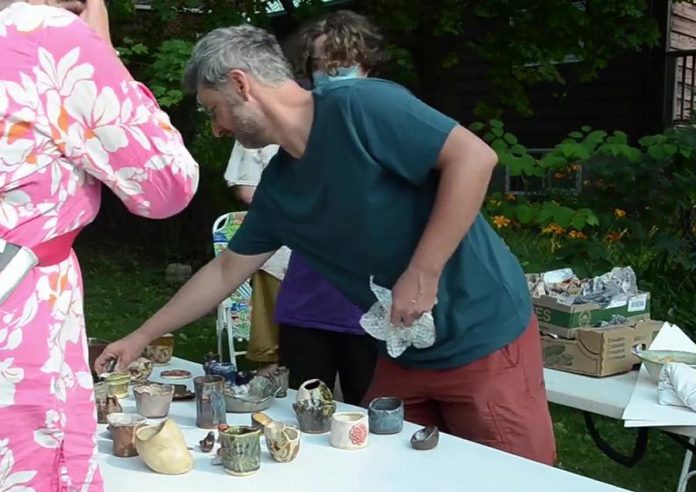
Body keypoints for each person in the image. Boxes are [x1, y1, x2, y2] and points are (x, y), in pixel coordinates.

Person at [97, 23, 556, 465]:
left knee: (515, 491)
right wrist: (140, 336)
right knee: (387, 484)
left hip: (484, 336)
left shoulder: (359, 106)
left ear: (241, 84)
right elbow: (224, 271)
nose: (216, 129)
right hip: (401, 353)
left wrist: (423, 271)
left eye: (211, 109)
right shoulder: (278, 188)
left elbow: (475, 157)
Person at [0, 1, 199, 492]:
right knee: (31, 488)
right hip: (17, 321)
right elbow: (165, 185)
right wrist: (103, 53)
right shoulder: (46, 36)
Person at [273, 11, 384, 405]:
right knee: (300, 420)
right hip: (306, 307)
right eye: (320, 66)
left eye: (341, 64)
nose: (330, 74)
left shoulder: (391, 123)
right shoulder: (300, 131)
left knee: (372, 424)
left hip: (373, 312)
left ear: (366, 67)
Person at [223, 140, 288, 373]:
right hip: (277, 250)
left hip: (309, 251)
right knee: (274, 347)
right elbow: (248, 191)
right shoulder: (251, 133)